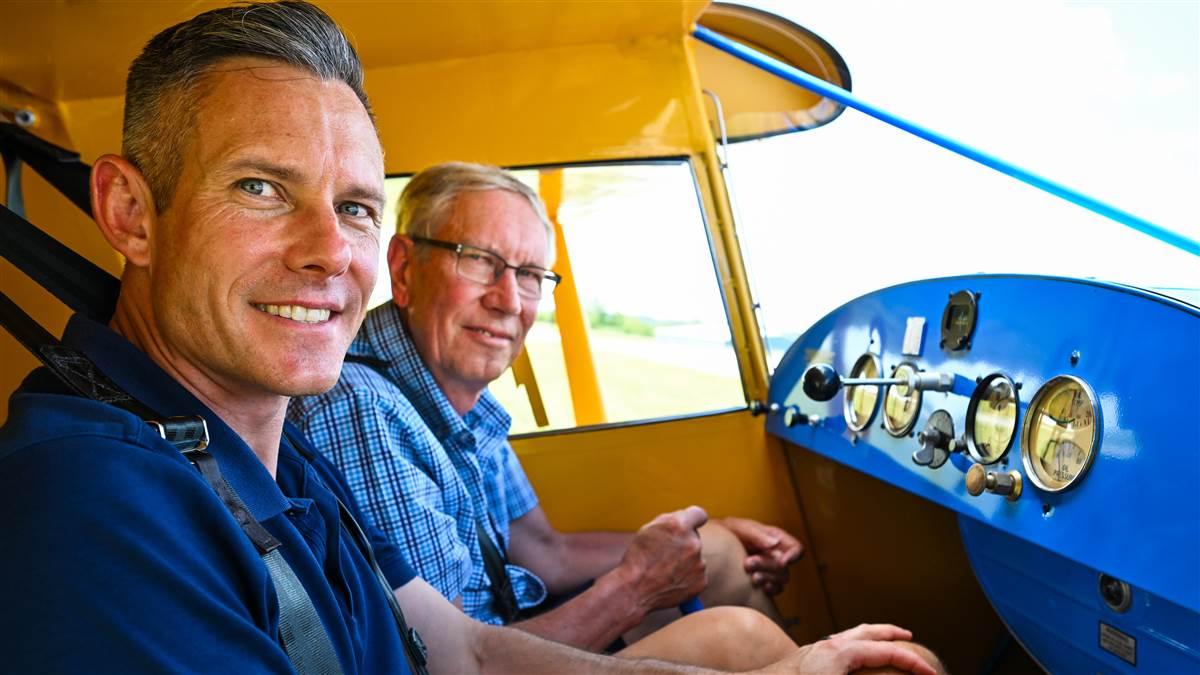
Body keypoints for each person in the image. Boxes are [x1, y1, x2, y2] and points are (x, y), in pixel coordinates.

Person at [0, 2, 941, 674]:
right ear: (131, 212)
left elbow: (466, 649)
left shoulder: (270, 447)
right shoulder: (93, 506)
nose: (331, 252)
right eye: (261, 188)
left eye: (355, 206)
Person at [286, 160, 908, 655]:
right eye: (479, 260)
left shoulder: (451, 390)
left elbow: (545, 552)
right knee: (736, 640)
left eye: (530, 274)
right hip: (482, 658)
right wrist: (636, 585)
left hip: (507, 631)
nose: (509, 300)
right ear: (403, 267)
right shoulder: (362, 410)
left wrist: (685, 541)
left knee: (717, 548)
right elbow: (449, 657)